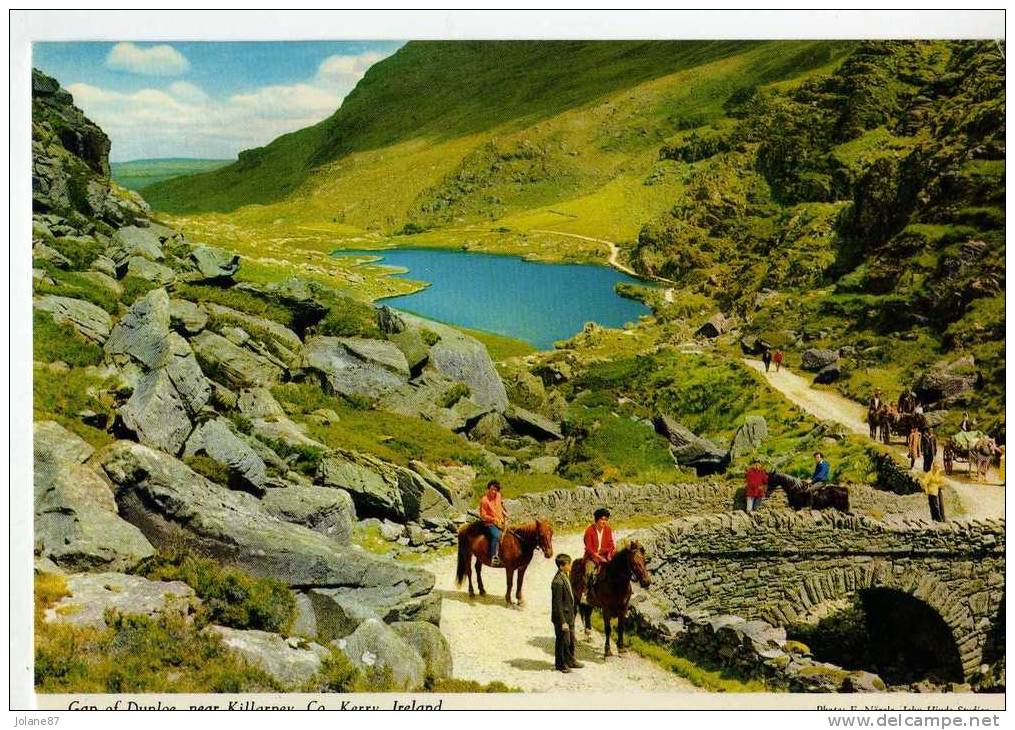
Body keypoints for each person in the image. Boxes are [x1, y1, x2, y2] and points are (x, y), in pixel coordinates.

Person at [550, 554, 583, 673]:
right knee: (562, 641)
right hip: (562, 617)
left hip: (569, 615)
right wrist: (563, 621)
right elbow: (557, 604)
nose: (570, 566)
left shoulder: (565, 576)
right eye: (568, 564)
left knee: (570, 640)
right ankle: (560, 664)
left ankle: (570, 660)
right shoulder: (558, 582)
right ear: (561, 566)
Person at [583, 508, 616, 592]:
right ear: (597, 520)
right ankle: (585, 591)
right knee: (589, 570)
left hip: (605, 555)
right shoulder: (589, 530)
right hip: (592, 557)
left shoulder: (608, 530)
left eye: (606, 520)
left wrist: (605, 552)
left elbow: (611, 545)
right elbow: (588, 548)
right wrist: (596, 555)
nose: (604, 522)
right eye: (602, 519)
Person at [479, 480, 507, 567]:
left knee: (509, 535)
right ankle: (493, 557)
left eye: (496, 490)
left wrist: (504, 511)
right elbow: (483, 516)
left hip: (501, 521)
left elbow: (500, 505)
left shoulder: (498, 496)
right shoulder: (484, 500)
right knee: (496, 536)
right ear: (489, 488)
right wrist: (493, 519)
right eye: (492, 489)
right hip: (489, 523)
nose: (494, 491)